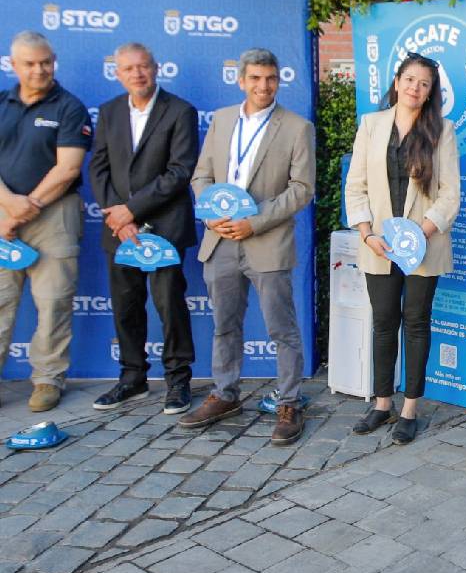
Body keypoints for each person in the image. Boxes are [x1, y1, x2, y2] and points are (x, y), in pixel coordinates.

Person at [177, 48, 315, 446]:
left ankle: (289, 402)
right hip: (219, 238)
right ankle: (225, 394)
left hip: (267, 240)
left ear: (278, 80)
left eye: (270, 78)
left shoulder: (297, 127)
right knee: (224, 324)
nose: (263, 86)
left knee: (281, 328)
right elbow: (201, 175)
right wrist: (209, 215)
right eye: (255, 78)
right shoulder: (221, 120)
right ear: (241, 81)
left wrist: (254, 221)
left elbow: (302, 189)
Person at [343, 53, 460, 445]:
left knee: (416, 321)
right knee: (383, 322)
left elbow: (450, 194)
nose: (415, 88)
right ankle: (382, 404)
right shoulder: (371, 125)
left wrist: (417, 235)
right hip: (378, 244)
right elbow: (356, 185)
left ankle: (409, 408)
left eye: (424, 83)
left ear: (430, 92)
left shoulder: (442, 130)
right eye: (410, 80)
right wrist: (365, 232)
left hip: (424, 244)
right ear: (397, 82)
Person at [89, 42, 199, 415]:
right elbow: (98, 168)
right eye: (128, 68)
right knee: (126, 306)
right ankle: (132, 378)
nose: (137, 74)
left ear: (156, 68)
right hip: (120, 230)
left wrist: (130, 210)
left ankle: (178, 381)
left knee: (169, 305)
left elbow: (180, 171)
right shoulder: (109, 112)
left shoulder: (180, 111)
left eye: (143, 66)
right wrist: (119, 217)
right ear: (117, 73)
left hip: (164, 227)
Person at [0, 31, 92, 412]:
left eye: (46, 62)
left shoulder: (70, 107)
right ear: (13, 65)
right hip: (3, 212)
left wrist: (27, 206)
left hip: (54, 215)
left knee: (53, 302)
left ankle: (48, 379)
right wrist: (8, 205)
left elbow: (68, 168)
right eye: (30, 64)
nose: (39, 70)